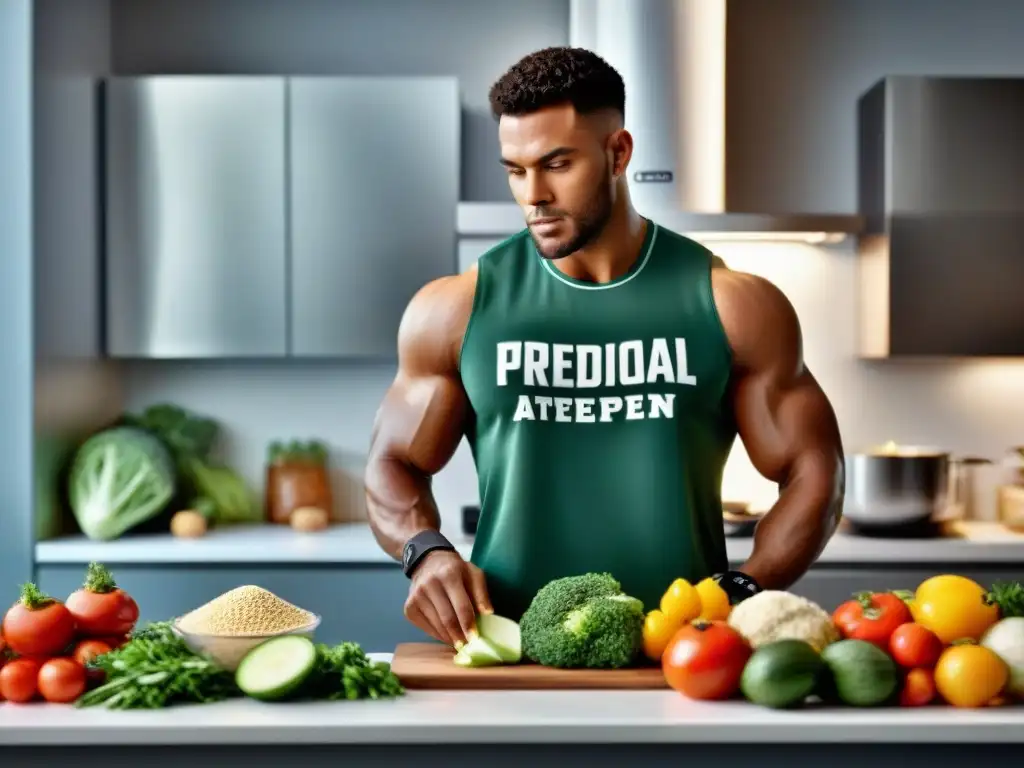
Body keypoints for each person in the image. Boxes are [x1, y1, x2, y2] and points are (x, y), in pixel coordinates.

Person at [364, 46, 845, 648]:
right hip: (508, 651)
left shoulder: (733, 305)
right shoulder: (454, 309)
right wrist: (426, 552)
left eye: (556, 164)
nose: (532, 194)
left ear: (618, 153)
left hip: (683, 653)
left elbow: (813, 469)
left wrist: (746, 587)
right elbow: (393, 460)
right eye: (514, 170)